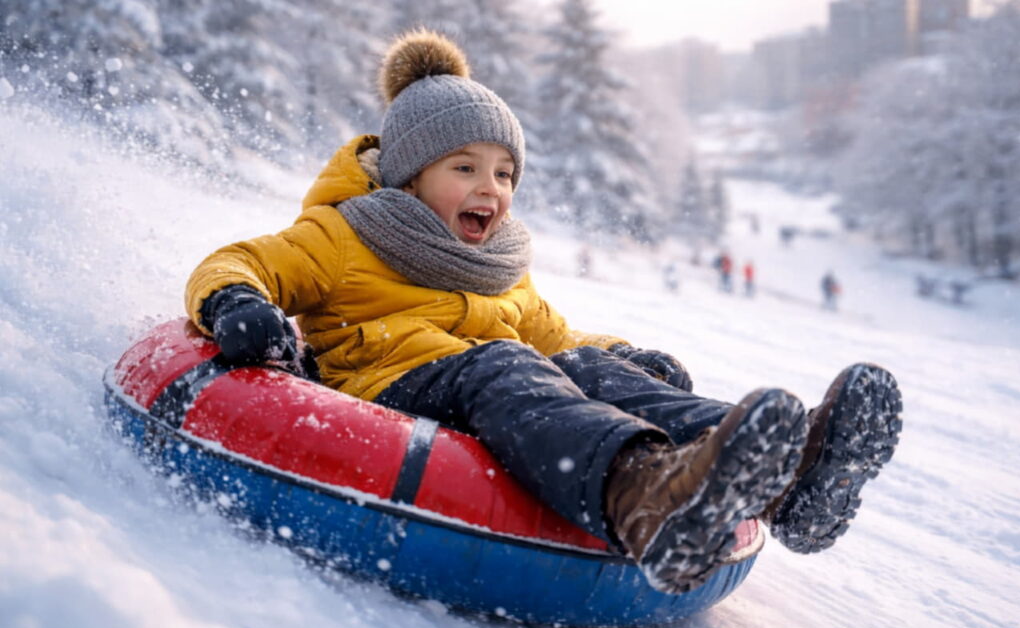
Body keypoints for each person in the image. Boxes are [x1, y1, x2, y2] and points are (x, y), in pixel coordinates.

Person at [184, 31, 903, 595]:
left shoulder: (497, 264)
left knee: (583, 367)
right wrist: (235, 301)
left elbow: (555, 335)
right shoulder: (345, 235)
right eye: (464, 168)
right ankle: (645, 497)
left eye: (504, 173)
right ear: (409, 175)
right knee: (503, 363)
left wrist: (623, 354)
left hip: (489, 386)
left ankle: (790, 479)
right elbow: (239, 261)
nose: (490, 189)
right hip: (390, 387)